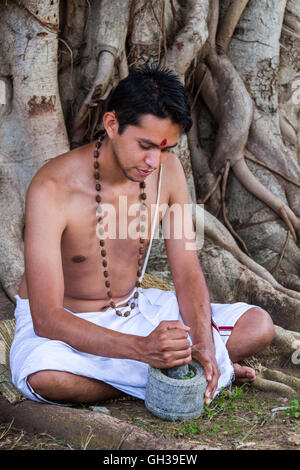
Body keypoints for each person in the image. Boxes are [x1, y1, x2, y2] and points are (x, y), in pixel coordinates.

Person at [10, 66, 275, 407]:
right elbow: (46, 318)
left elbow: (186, 269)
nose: (154, 161)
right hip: (67, 326)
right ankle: (174, 375)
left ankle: (179, 368)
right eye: (145, 145)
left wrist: (204, 342)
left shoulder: (169, 170)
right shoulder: (52, 188)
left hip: (135, 311)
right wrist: (143, 349)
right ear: (112, 125)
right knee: (47, 379)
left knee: (258, 326)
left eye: (166, 149)